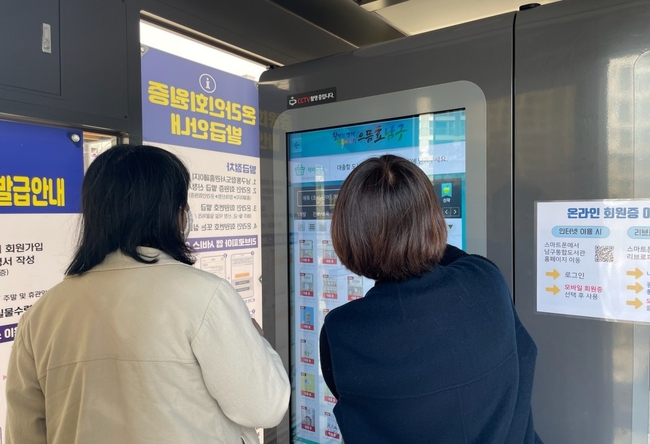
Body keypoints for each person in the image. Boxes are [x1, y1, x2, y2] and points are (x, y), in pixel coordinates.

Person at [5, 145, 290, 444]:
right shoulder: (205, 296)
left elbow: (24, 432)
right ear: (173, 212)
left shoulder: (42, 313)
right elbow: (266, 407)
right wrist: (257, 341)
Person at [320, 154, 542, 443]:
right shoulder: (485, 280)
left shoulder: (342, 331)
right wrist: (417, 234)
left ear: (347, 234)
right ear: (433, 218)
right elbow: (455, 257)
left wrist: (391, 240)